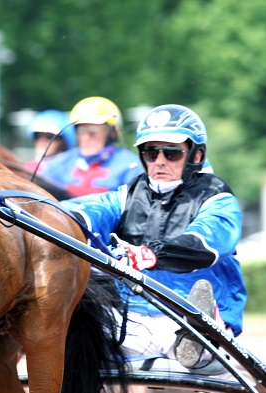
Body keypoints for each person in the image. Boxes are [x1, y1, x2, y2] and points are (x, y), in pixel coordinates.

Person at [61, 104, 246, 369]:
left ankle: (200, 333)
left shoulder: (218, 199)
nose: (159, 161)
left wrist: (149, 254)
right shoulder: (128, 194)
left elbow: (206, 243)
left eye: (171, 153)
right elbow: (86, 211)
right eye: (151, 152)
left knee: (194, 323)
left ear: (196, 155)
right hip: (131, 320)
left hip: (183, 315)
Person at [42, 96, 143, 197]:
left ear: (112, 133)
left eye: (93, 131)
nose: (86, 137)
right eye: (81, 131)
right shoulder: (60, 163)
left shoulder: (131, 165)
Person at [24, 109, 76, 176]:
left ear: (64, 141)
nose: (42, 140)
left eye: (50, 136)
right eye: (37, 135)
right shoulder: (26, 168)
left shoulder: (73, 170)